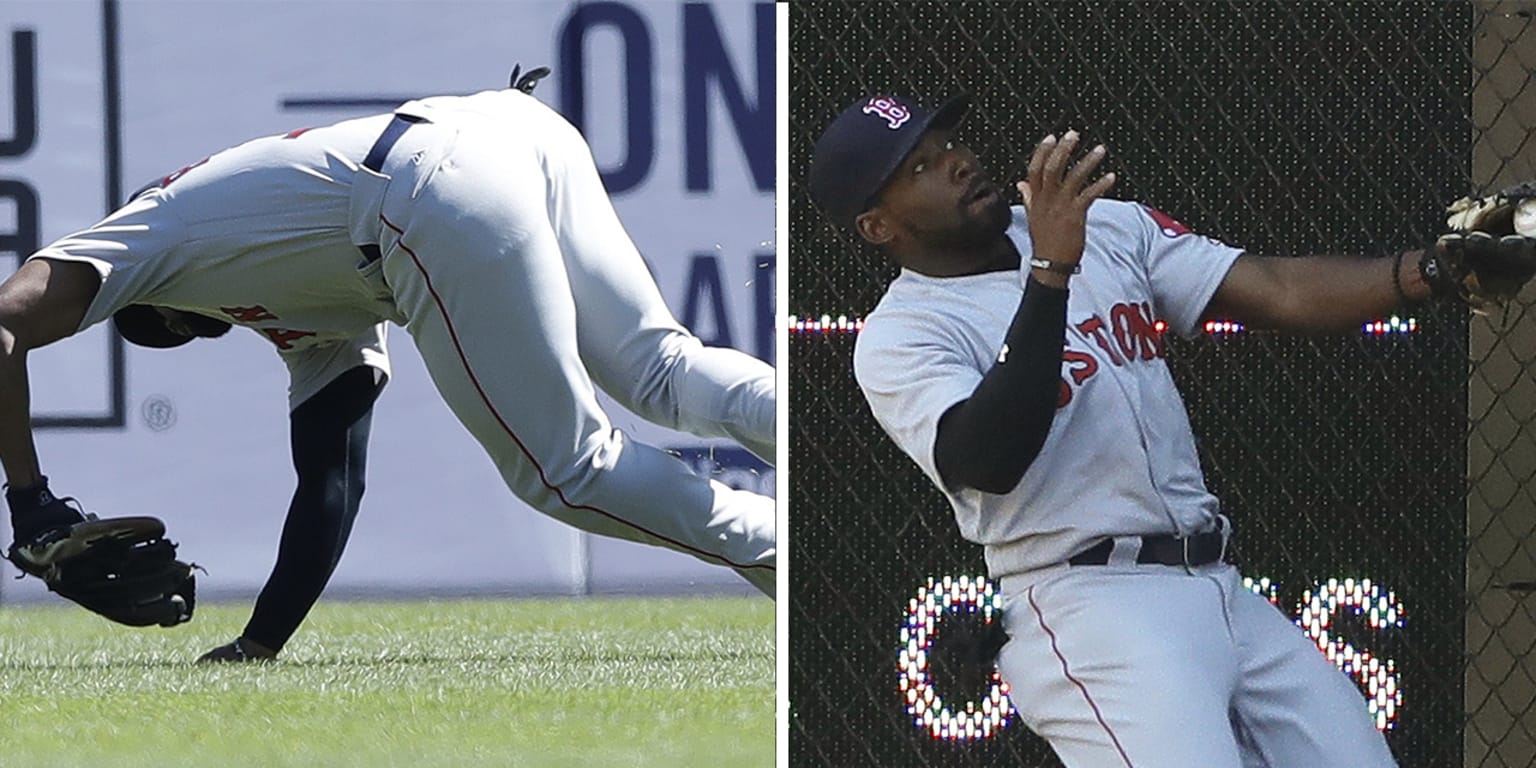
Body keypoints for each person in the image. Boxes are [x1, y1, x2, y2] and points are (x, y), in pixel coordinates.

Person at [0, 74, 777, 662]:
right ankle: (854, 426)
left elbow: (6, 323)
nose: (205, 328)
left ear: (161, 305)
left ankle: (797, 548)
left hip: (430, 189)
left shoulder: (150, 228)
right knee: (663, 373)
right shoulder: (295, 309)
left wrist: (29, 503)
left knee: (568, 470)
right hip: (508, 127)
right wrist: (259, 645)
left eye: (175, 324)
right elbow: (332, 484)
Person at [809, 93, 1409, 765]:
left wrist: (1431, 272)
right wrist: (1051, 271)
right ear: (877, 226)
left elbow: (1278, 288)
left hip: (1220, 585)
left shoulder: (1107, 229)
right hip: (1090, 606)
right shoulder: (903, 335)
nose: (955, 163)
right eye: (919, 167)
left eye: (948, 144)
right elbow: (987, 458)